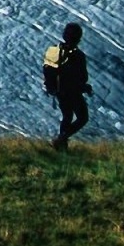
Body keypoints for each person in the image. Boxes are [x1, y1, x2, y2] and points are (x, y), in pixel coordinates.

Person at [52, 22, 93, 151]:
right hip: (73, 92)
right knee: (82, 118)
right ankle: (62, 139)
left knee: (67, 116)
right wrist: (84, 87)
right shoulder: (79, 56)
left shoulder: (56, 51)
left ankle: (61, 144)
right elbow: (82, 77)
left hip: (60, 91)